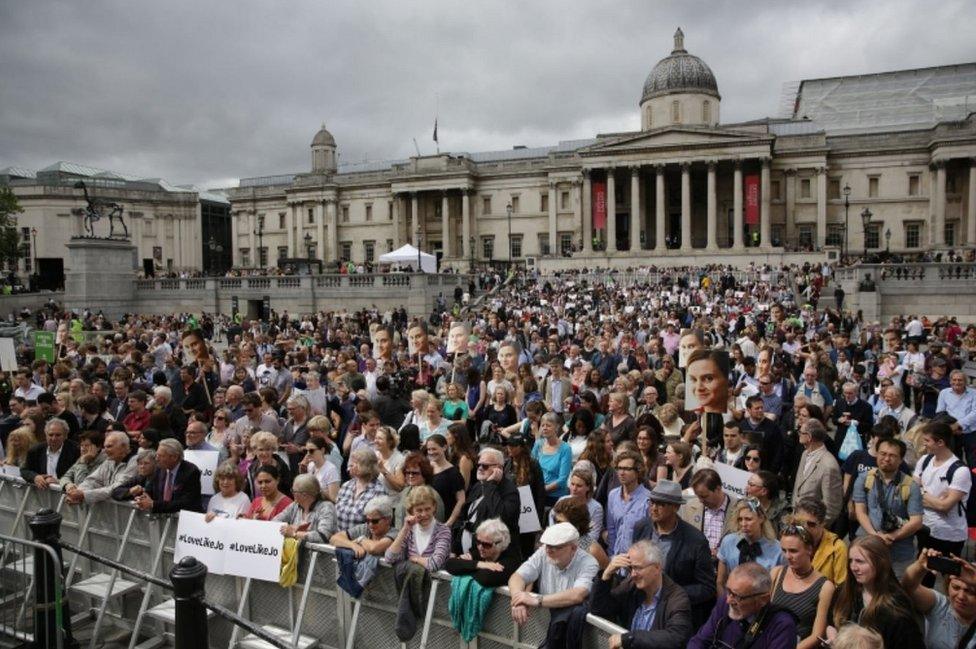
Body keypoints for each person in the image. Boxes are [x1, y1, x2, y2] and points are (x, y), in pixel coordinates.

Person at [631, 480, 716, 626]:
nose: (654, 508)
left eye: (661, 504)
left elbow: (707, 587)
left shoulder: (695, 540)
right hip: (641, 608)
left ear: (675, 507)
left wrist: (670, 594)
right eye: (652, 503)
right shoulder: (641, 527)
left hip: (673, 616)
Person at [508, 522, 599, 649]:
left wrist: (536, 600)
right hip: (544, 626)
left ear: (573, 548)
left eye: (556, 547)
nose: (549, 550)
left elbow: (577, 594)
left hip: (575, 636)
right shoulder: (542, 553)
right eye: (547, 545)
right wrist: (518, 599)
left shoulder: (589, 563)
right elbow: (517, 577)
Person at [590, 540, 694, 649]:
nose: (633, 574)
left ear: (657, 568)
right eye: (631, 568)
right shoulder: (631, 586)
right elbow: (599, 609)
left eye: (638, 568)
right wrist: (606, 575)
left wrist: (630, 638)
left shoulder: (677, 598)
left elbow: (677, 637)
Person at [829, 535, 924, 649]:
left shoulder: (895, 608)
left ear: (880, 563)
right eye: (850, 561)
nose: (853, 567)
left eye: (860, 561)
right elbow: (830, 623)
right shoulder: (843, 592)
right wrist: (834, 640)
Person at [384, 485, 452, 640]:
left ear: (434, 507)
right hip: (412, 595)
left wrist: (414, 559)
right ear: (411, 512)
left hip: (438, 598)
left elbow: (434, 564)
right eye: (419, 510)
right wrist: (404, 530)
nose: (424, 514)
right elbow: (389, 558)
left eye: (427, 509)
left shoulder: (443, 531)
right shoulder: (409, 531)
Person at [852, 436, 923, 576]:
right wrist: (875, 536)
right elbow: (860, 511)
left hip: (899, 551)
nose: (886, 458)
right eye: (883, 454)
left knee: (897, 591)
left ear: (901, 459)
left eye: (892, 455)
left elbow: (916, 521)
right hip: (866, 544)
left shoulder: (910, 485)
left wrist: (892, 536)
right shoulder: (864, 478)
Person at [913, 420, 972, 585]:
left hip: (949, 536)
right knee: (924, 579)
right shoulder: (924, 461)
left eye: (927, 441)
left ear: (940, 442)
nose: (924, 445)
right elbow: (912, 492)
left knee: (952, 582)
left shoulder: (960, 470)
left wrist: (923, 493)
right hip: (926, 530)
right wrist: (933, 498)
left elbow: (945, 506)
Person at [688, 563, 797, 649]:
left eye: (737, 596)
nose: (729, 600)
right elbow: (700, 641)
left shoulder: (782, 625)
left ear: (763, 599)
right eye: (728, 591)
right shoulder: (724, 604)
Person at [769, 523, 835, 649]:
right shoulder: (776, 573)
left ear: (809, 549)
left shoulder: (825, 587)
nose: (788, 556)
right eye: (784, 550)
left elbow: (817, 635)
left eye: (793, 551)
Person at [901, 549, 976, 649]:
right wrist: (919, 566)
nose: (961, 596)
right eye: (955, 587)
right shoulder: (941, 605)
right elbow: (909, 587)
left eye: (970, 591)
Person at [454, 447, 521, 555]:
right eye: (478, 465)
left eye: (485, 466)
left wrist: (491, 485)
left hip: (488, 555)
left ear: (499, 468)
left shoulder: (509, 490)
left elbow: (499, 517)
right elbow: (464, 516)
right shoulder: (478, 485)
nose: (480, 468)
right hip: (464, 550)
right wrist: (454, 548)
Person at [717, 499, 784, 594]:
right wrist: (723, 605)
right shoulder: (728, 542)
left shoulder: (777, 549)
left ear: (761, 518)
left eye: (748, 519)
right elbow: (720, 581)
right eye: (740, 519)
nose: (743, 524)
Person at [792, 419, 842, 526]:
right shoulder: (805, 454)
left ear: (809, 437)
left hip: (813, 529)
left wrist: (815, 530)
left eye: (800, 432)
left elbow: (831, 508)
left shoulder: (829, 466)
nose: (799, 434)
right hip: (797, 521)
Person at [64, 431, 137, 505]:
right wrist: (76, 493)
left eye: (109, 446)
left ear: (123, 446)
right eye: (104, 447)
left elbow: (117, 488)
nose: (105, 450)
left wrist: (84, 495)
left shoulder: (136, 462)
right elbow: (92, 480)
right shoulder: (109, 460)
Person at [133, 438, 203, 514]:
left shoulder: (191, 472)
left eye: (160, 456)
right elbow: (149, 491)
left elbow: (186, 503)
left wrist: (153, 504)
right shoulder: (159, 469)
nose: (156, 459)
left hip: (185, 520)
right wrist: (142, 498)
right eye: (157, 455)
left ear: (174, 457)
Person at [680, 468, 738, 558]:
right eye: (698, 496)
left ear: (718, 489)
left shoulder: (738, 508)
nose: (700, 500)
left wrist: (721, 553)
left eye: (704, 496)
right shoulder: (690, 507)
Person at [605, 449, 651, 559]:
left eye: (627, 469)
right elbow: (611, 530)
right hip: (617, 559)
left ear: (638, 471)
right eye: (619, 468)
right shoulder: (613, 495)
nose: (621, 473)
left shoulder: (648, 499)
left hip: (638, 561)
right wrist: (612, 556)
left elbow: (649, 536)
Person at [274, 473, 338, 544]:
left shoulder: (326, 507)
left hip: (320, 554)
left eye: (294, 491)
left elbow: (323, 536)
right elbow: (274, 522)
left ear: (304, 495)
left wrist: (294, 533)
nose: (292, 493)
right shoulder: (295, 505)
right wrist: (291, 527)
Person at [549, 467, 604, 547]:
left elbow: (593, 536)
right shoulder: (562, 500)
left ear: (588, 487)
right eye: (572, 484)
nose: (574, 489)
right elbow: (552, 525)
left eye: (579, 486)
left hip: (581, 548)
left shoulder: (596, 507)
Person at [335, 448, 387, 532]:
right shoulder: (346, 486)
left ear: (368, 466)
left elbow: (378, 524)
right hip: (340, 538)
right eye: (352, 463)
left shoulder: (378, 491)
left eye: (356, 463)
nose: (351, 466)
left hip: (363, 541)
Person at [21, 418, 80, 489]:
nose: (53, 438)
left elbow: (79, 476)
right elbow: (24, 470)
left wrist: (59, 481)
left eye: (58, 435)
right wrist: (35, 477)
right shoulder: (36, 450)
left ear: (65, 436)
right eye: (50, 435)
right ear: (45, 435)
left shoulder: (76, 450)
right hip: (42, 493)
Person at [424, 434, 466, 527]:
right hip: (426, 519)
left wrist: (449, 523)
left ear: (444, 448)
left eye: (434, 449)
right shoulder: (427, 467)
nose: (431, 452)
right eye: (429, 449)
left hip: (443, 520)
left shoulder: (453, 473)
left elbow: (461, 500)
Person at [532, 412, 573, 506]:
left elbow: (562, 479)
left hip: (556, 497)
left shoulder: (565, 448)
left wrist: (542, 490)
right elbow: (530, 467)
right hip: (537, 494)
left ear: (557, 427)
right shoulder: (538, 444)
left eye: (548, 425)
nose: (545, 428)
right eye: (542, 425)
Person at [244, 431, 293, 498]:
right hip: (258, 505)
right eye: (261, 450)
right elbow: (249, 492)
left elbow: (288, 492)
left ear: (272, 450)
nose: (264, 453)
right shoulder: (252, 468)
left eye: (267, 449)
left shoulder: (282, 467)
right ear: (255, 451)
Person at [685, 349, 730, 414]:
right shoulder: (692, 417)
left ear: (726, 379)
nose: (699, 388)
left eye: (708, 378)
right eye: (694, 379)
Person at [299, 436, 341, 501]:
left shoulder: (331, 470)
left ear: (322, 450)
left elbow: (334, 498)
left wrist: (317, 489)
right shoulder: (310, 465)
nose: (308, 454)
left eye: (311, 451)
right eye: (306, 451)